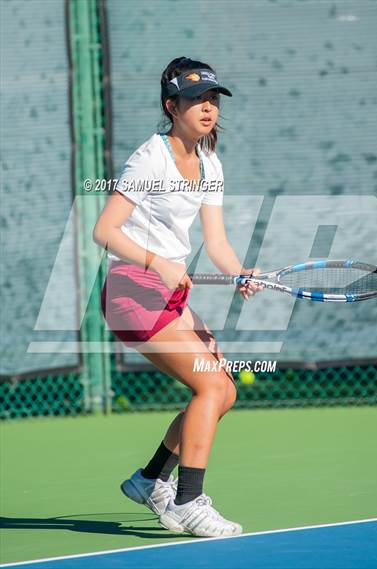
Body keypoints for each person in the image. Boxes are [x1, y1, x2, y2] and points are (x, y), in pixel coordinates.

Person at [93, 56, 261, 538]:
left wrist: (238, 272)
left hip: (166, 294)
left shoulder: (210, 163)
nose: (207, 108)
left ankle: (149, 480)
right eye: (195, 100)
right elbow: (103, 230)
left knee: (222, 390)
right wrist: (159, 262)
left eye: (212, 99)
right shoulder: (150, 157)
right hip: (131, 290)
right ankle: (187, 502)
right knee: (210, 385)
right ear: (172, 106)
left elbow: (218, 243)